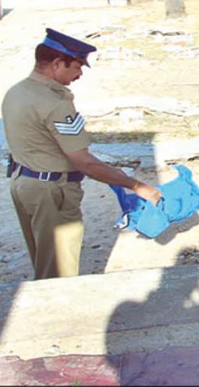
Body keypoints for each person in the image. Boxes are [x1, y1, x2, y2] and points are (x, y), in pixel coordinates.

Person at [2, 28, 162, 280]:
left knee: (44, 263)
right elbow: (85, 162)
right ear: (57, 63)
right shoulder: (54, 102)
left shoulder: (16, 92)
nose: (79, 74)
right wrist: (136, 185)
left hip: (25, 184)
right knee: (59, 273)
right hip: (52, 193)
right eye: (77, 67)